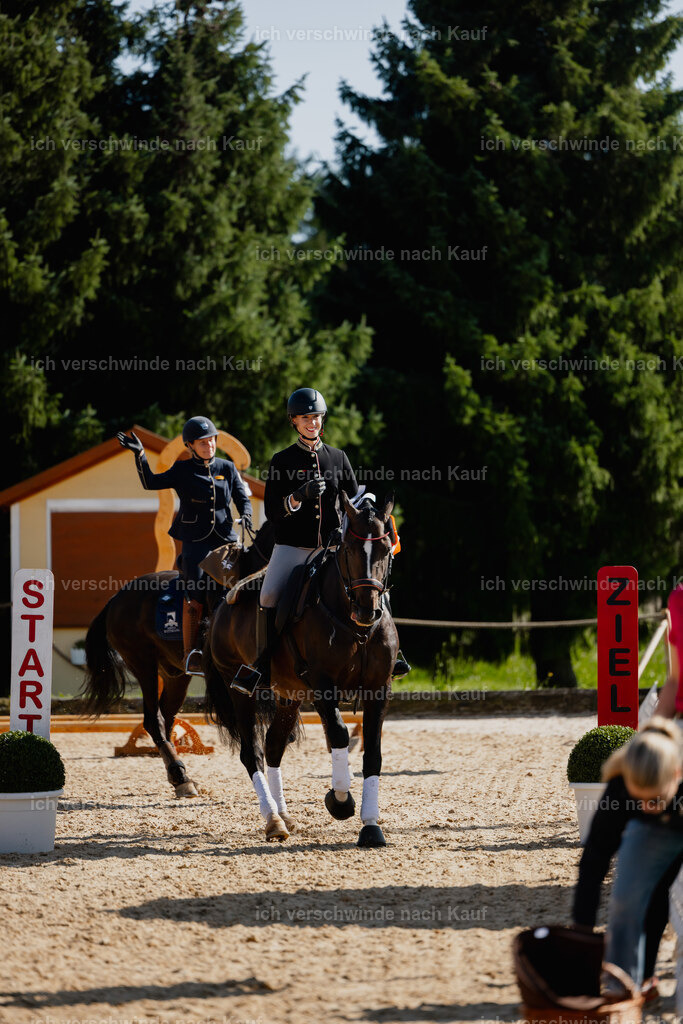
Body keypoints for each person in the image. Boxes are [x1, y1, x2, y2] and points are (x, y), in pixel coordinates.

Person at [231, 387, 410, 695]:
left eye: (315, 417)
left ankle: (393, 655)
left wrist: (370, 508)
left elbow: (356, 495)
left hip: (331, 550)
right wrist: (298, 497)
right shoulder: (282, 460)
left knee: (372, 585)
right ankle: (261, 665)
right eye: (305, 418)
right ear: (294, 422)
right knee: (269, 596)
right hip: (292, 548)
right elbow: (273, 511)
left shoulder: (338, 457)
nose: (311, 423)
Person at [117, 417, 253, 675]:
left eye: (212, 440)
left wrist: (246, 515)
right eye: (202, 443)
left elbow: (241, 498)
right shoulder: (182, 470)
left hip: (225, 538)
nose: (209, 445)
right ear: (190, 445)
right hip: (195, 540)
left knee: (246, 583)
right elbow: (150, 482)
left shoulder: (227, 466)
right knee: (197, 585)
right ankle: (193, 651)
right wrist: (140, 455)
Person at [572, 716, 683, 997]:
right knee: (629, 898)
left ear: (677, 774)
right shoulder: (620, 789)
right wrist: (582, 933)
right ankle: (627, 981)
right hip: (655, 833)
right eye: (640, 800)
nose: (647, 807)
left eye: (655, 799)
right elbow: (594, 863)